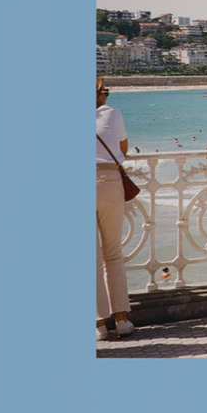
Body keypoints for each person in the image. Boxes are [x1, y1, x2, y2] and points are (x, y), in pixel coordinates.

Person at [96, 78, 135, 341]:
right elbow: (123, 148)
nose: (107, 95)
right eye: (103, 91)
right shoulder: (113, 113)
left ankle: (98, 324)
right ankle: (121, 319)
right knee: (113, 253)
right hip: (110, 183)